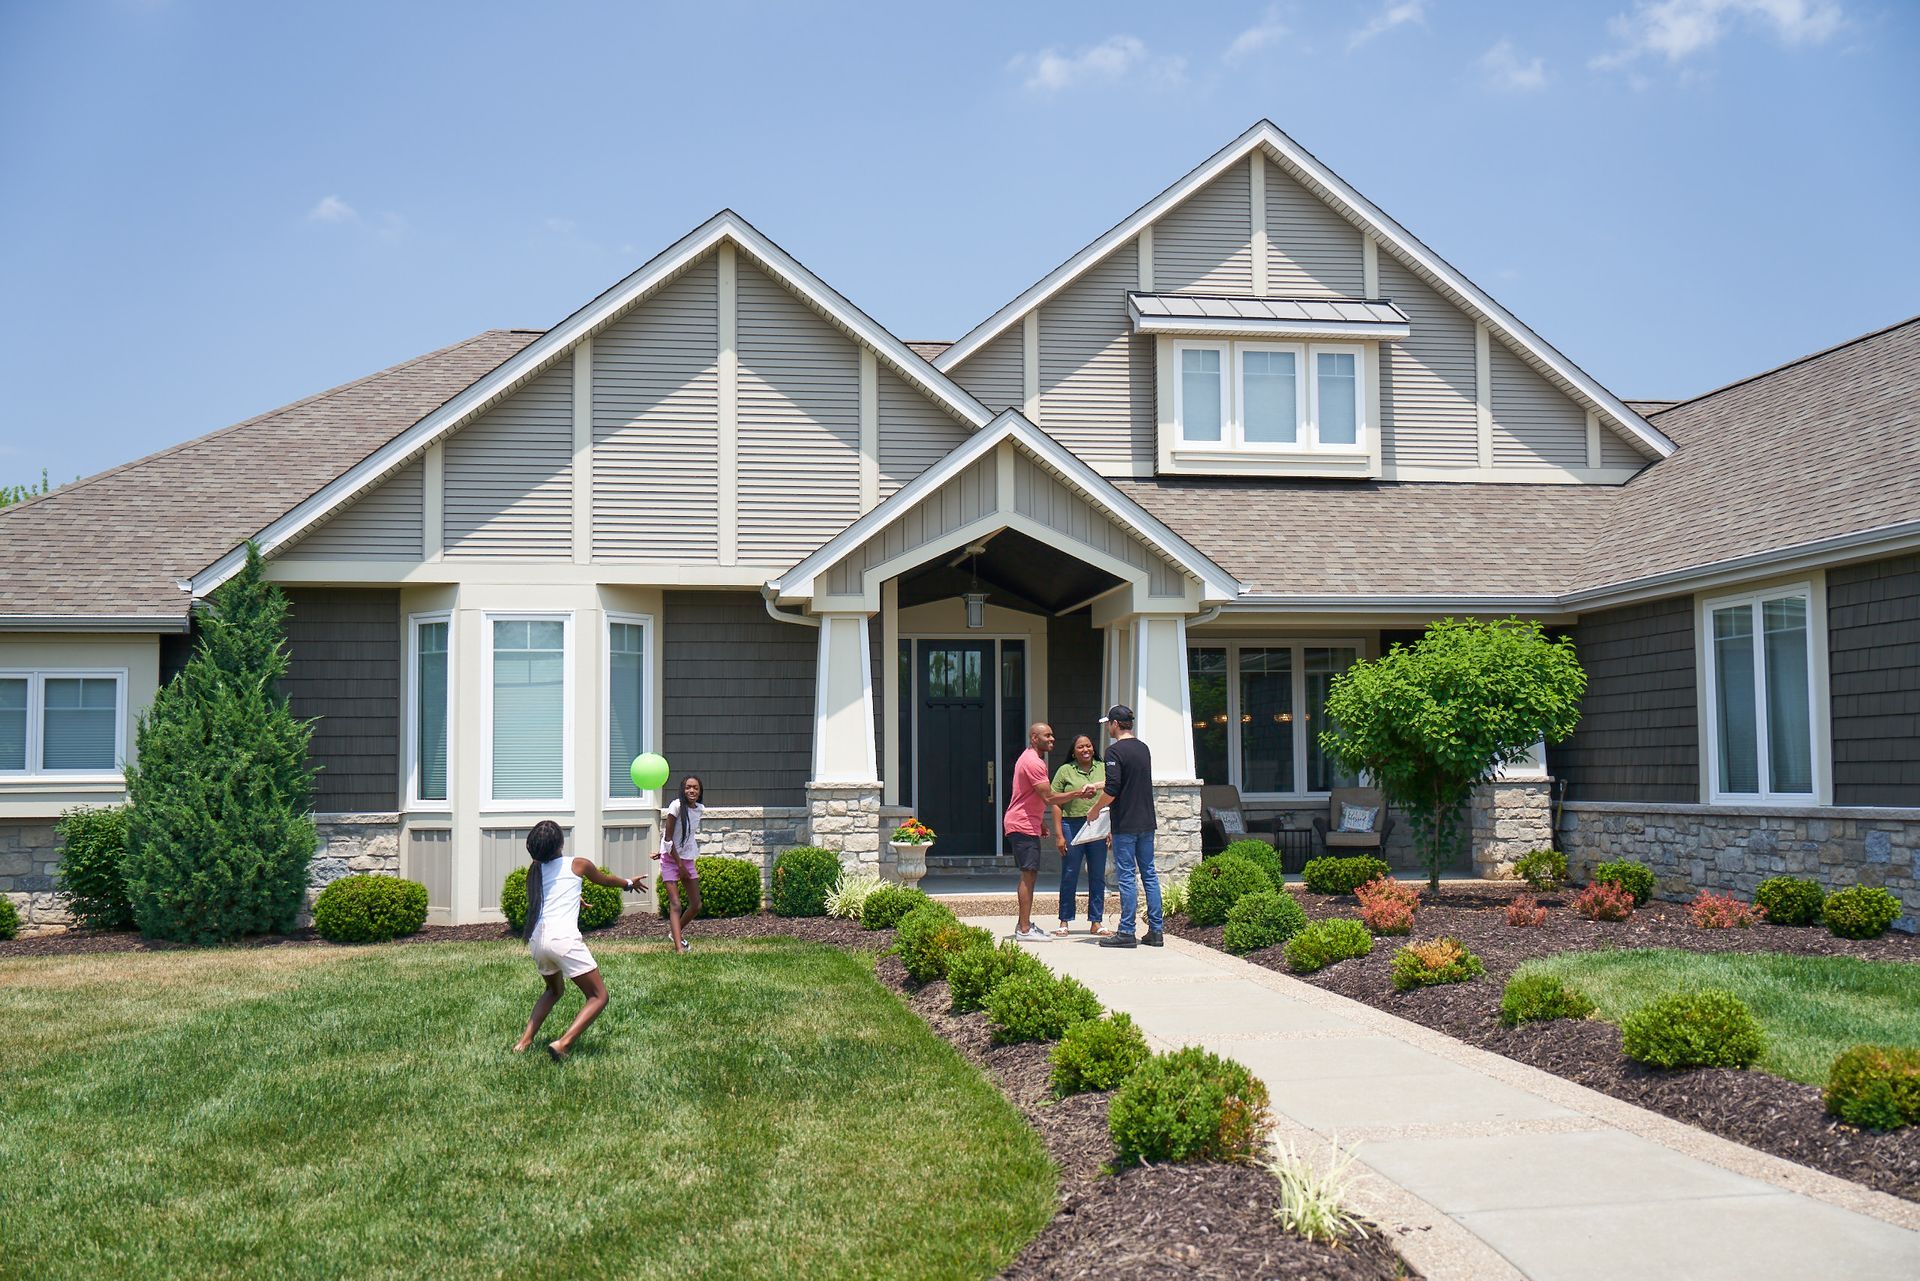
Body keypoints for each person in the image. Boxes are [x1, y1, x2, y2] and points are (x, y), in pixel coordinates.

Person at [512, 819, 641, 1060]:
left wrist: (574, 898)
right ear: (560, 842)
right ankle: (563, 1043)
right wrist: (629, 883)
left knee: (553, 991)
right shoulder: (578, 864)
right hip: (563, 939)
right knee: (598, 996)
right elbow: (605, 880)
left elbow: (550, 895)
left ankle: (524, 1042)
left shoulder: (535, 871)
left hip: (537, 940)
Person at [1004, 722, 1100, 943]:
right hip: (1021, 824)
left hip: (1027, 823)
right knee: (1028, 875)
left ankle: (1024, 925)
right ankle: (1025, 929)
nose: (1052, 739)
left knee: (1031, 873)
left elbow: (1032, 796)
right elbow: (1049, 797)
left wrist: (1040, 822)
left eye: (1052, 735)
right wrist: (1078, 794)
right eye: (1047, 736)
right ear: (1034, 738)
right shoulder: (1032, 762)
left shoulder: (1034, 759)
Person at [1083, 705, 1162, 949]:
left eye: (1109, 723)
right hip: (1146, 821)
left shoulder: (1114, 751)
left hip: (1126, 824)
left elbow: (1114, 788)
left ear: (1116, 724)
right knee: (1149, 874)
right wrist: (1097, 785)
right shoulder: (1143, 748)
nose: (1108, 727)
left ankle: (1127, 931)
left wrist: (1095, 809)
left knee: (1127, 876)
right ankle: (1156, 931)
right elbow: (1126, 779)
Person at [1050, 734, 1107, 936]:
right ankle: (1064, 921)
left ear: (1093, 748)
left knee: (1097, 874)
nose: (1085, 750)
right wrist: (1059, 835)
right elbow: (1055, 801)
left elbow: (1112, 796)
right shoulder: (1065, 770)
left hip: (1098, 826)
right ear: (1073, 751)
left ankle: (1096, 922)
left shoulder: (1103, 767)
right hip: (1071, 825)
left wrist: (1110, 829)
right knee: (1070, 873)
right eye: (1081, 747)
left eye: (1089, 746)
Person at [654, 775, 705, 953]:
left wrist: (684, 863)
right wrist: (676, 863)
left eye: (696, 788)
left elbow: (687, 836)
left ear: (700, 791)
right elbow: (668, 839)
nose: (692, 791)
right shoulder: (675, 806)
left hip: (687, 858)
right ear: (682, 790)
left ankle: (674, 933)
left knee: (696, 905)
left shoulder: (699, 809)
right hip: (670, 859)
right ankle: (679, 948)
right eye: (688, 787)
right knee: (675, 904)